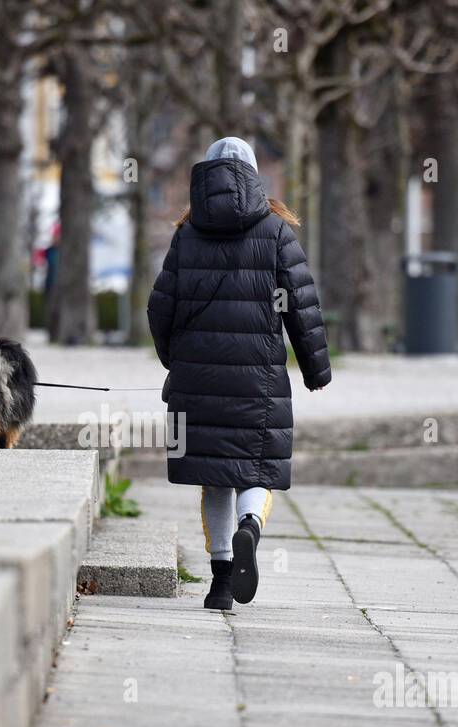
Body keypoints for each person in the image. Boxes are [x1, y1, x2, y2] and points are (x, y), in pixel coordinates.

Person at [148, 136, 331, 611]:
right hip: (260, 381)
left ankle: (221, 583)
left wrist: (175, 360)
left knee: (215, 477)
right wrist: (316, 370)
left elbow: (159, 307)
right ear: (255, 176)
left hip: (199, 382)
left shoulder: (186, 234)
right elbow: (302, 307)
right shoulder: (275, 231)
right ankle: (251, 526)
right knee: (256, 470)